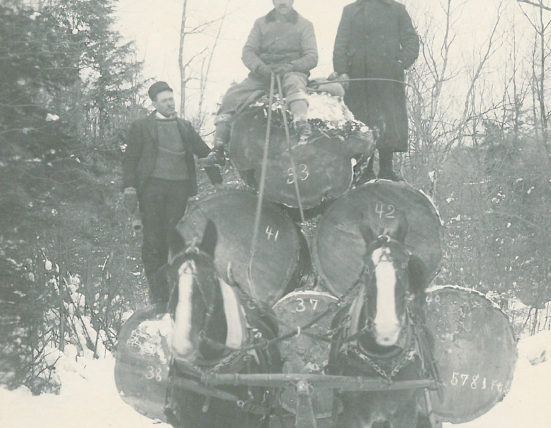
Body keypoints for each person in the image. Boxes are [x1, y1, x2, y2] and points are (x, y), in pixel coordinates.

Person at [122, 81, 220, 304]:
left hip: (179, 190)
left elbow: (204, 154)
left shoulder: (184, 127)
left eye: (171, 99)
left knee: (174, 241)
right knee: (152, 242)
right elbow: (130, 159)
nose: (170, 104)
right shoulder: (142, 127)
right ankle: (158, 298)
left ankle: (176, 294)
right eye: (165, 101)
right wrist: (129, 187)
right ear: (155, 103)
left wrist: (218, 181)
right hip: (152, 189)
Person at [213, 0, 318, 152]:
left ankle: (302, 128)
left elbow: (312, 56)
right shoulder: (260, 24)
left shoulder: (305, 25)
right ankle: (218, 147)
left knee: (295, 86)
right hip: (263, 75)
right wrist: (261, 68)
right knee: (233, 94)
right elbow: (248, 52)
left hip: (290, 72)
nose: (283, 2)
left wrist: (291, 67)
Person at [331, 0, 419, 181]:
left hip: (387, 76)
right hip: (359, 77)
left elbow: (411, 40)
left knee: (388, 120)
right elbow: (340, 44)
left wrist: (401, 61)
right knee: (362, 121)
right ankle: (365, 168)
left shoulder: (396, 10)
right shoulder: (351, 11)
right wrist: (342, 72)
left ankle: (386, 168)